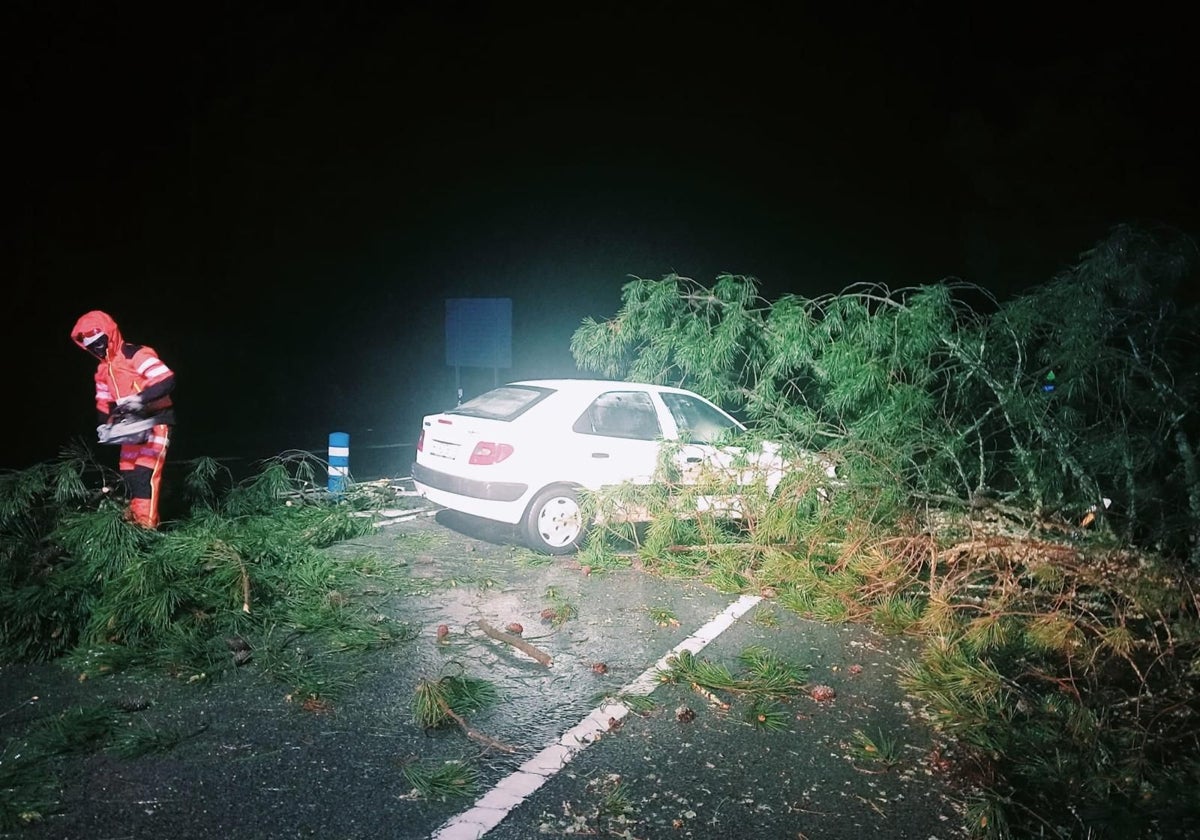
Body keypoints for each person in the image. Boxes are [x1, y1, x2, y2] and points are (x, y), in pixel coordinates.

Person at [71, 310, 176, 529]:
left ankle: (148, 528)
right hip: (130, 428)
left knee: (144, 473)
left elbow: (166, 378)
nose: (97, 349)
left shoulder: (134, 354)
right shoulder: (102, 370)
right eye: (91, 347)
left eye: (100, 342)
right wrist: (103, 425)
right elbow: (103, 401)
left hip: (155, 421)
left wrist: (140, 399)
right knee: (129, 474)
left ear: (109, 335)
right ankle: (134, 524)